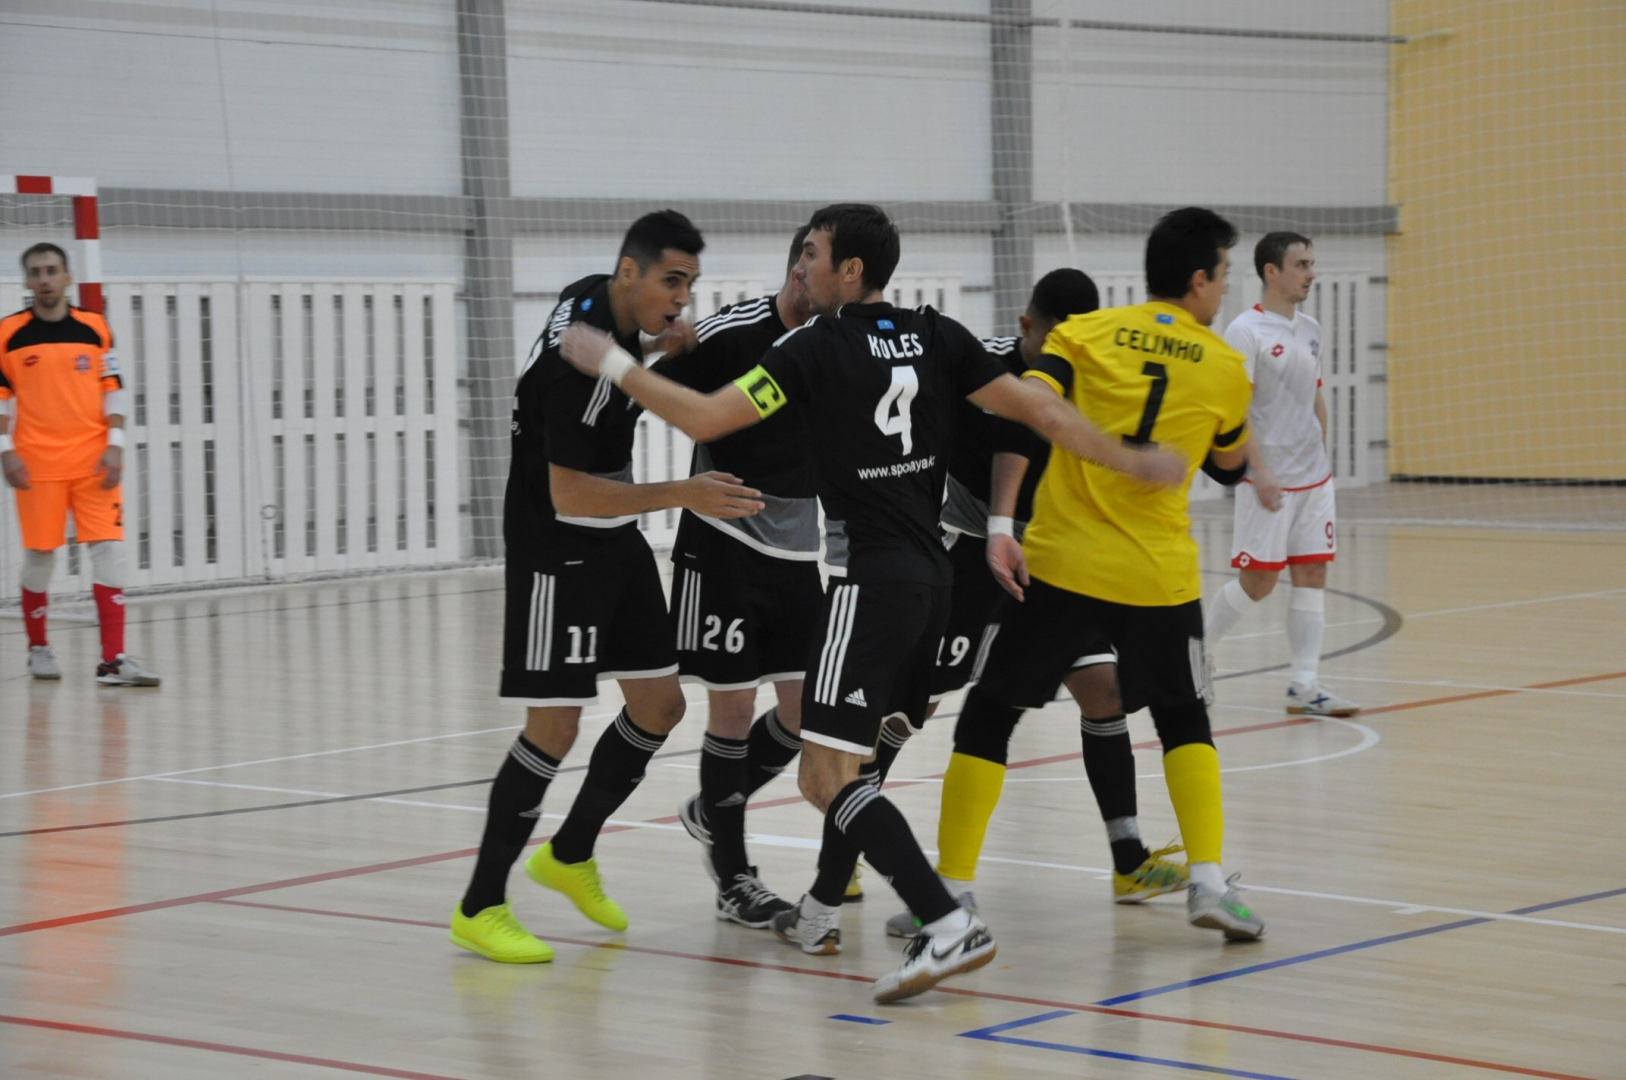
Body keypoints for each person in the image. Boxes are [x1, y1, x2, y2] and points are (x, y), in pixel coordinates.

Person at [561, 202, 1183, 1001]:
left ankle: (946, 922)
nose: (802, 266)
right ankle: (846, 911)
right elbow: (1039, 409)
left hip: (868, 584)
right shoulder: (937, 334)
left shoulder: (813, 348)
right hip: (933, 583)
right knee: (844, 763)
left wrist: (611, 362)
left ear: (850, 270)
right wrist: (1130, 460)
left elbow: (708, 414)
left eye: (814, 254)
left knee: (825, 778)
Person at [932, 207, 1268, 942]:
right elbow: (1229, 464)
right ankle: (1209, 883)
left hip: (1064, 562)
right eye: (1223, 275)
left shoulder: (1083, 334)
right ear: (1198, 279)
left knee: (991, 714)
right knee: (1183, 717)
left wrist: (1006, 519)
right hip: (1159, 575)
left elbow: (1030, 408)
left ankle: (951, 893)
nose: (1224, 290)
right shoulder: (1223, 366)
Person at [448, 210, 767, 965]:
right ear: (630, 272)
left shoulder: (595, 301)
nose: (682, 299)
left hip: (613, 541)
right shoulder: (575, 375)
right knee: (553, 730)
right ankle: (480, 905)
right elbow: (569, 494)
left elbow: (616, 354)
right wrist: (683, 493)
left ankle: (569, 854)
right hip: (557, 547)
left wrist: (653, 347)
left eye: (689, 283)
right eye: (671, 282)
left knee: (660, 706)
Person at [880, 268, 1190, 940]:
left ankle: (1129, 861)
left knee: (1104, 692)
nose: (1064, 354)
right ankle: (853, 836)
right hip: (971, 553)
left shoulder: (1094, 375)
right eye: (1055, 341)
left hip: (1052, 557)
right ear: (1027, 326)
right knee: (916, 705)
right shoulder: (985, 368)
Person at [658, 225, 819, 928]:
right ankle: (733, 878)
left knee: (805, 712)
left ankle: (711, 812)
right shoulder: (734, 332)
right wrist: (660, 351)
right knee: (730, 708)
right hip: (724, 543)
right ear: (799, 268)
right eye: (816, 261)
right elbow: (657, 392)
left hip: (797, 547)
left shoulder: (836, 344)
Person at [1205, 232, 1359, 717]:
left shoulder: (1310, 328)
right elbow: (1236, 409)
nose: (1311, 273)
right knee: (1258, 582)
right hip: (1268, 480)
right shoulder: (1245, 331)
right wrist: (1261, 470)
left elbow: (1315, 396)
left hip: (1314, 479)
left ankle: (1304, 685)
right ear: (1271, 271)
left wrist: (1322, 457)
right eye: (1302, 264)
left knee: (1313, 572)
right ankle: (1197, 651)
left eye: (1312, 263)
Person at [1, 243, 158, 686]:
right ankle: (38, 649)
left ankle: (113, 661)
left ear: (67, 277)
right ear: (27, 281)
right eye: (36, 272)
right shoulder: (8, 333)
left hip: (94, 462)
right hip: (37, 465)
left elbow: (114, 389)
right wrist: (6, 450)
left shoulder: (95, 327)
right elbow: (1, 399)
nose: (44, 279)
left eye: (52, 270)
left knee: (110, 553)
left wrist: (116, 443)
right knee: (40, 557)